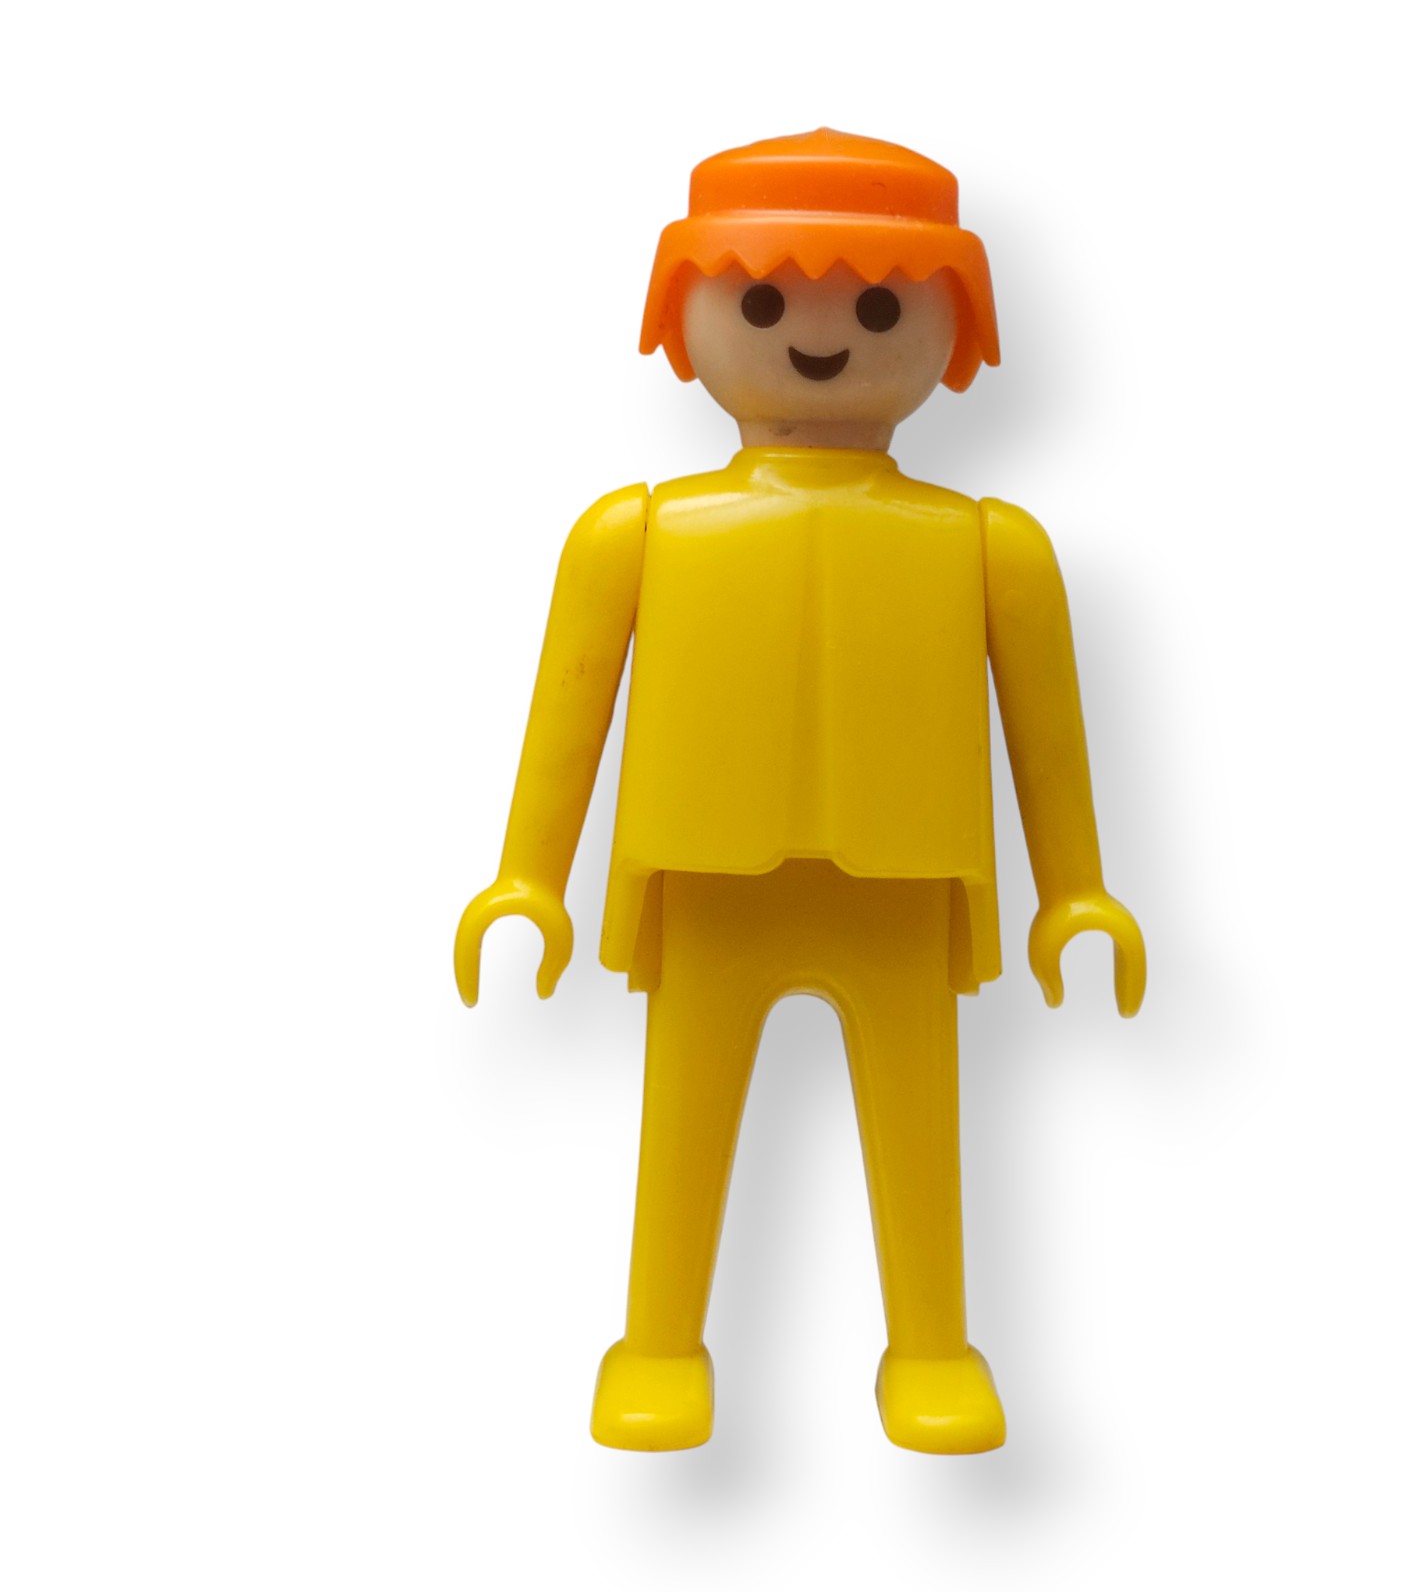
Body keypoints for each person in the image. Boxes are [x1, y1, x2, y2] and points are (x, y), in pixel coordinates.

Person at [455, 128, 1145, 1454]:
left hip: (903, 881)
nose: (821, 339)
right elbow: (570, 713)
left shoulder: (989, 546)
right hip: (709, 874)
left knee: (919, 1128)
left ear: (951, 333)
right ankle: (659, 1344)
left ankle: (931, 1347)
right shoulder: (637, 532)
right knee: (684, 1122)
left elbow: (1046, 725)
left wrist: (1078, 894)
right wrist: (527, 878)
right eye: (765, 302)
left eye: (880, 310)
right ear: (684, 315)